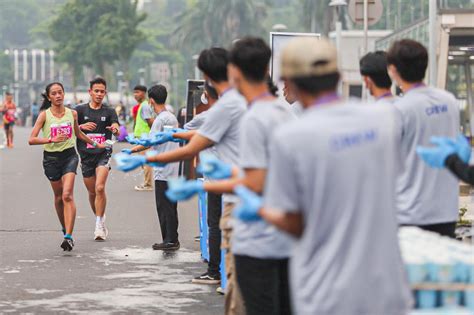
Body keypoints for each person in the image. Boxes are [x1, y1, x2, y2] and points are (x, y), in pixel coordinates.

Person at [232, 37, 412, 315]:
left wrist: (260, 209)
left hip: (326, 290)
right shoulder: (383, 120)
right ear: (339, 76)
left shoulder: (291, 138)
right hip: (386, 288)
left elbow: (294, 222)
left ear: (288, 81)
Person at [166, 37, 295, 314]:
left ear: (235, 70)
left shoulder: (247, 112)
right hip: (281, 220)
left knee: (245, 298)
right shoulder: (281, 112)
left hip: (247, 217)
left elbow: (254, 179)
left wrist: (218, 180)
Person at [114, 47, 247, 315]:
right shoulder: (244, 105)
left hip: (230, 187)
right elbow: (191, 137)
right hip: (234, 184)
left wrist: (145, 157)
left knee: (220, 234)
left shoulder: (228, 106)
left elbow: (194, 141)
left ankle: (217, 273)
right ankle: (222, 275)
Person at [387, 39, 460, 237]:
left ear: (393, 70)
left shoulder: (399, 110)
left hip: (411, 214)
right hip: (446, 211)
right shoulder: (449, 101)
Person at [28, 82, 106, 251]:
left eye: (60, 92)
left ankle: (68, 237)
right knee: (58, 198)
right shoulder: (44, 116)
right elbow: (31, 139)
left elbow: (78, 133)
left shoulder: (72, 114)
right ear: (49, 97)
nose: (58, 96)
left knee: (67, 195)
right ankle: (65, 228)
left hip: (70, 156)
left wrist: (94, 143)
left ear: (64, 94)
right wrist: (50, 139)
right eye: (54, 93)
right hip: (51, 159)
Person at [122, 85, 181, 250]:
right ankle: (172, 238)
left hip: (163, 170)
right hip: (173, 167)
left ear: (151, 101)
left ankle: (169, 240)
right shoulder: (171, 117)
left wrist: (133, 148)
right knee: (171, 206)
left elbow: (150, 141)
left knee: (164, 206)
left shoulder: (160, 119)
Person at [75, 77, 120, 241]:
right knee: (92, 191)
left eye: (102, 91)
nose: (99, 94)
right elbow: (70, 129)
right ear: (90, 92)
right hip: (86, 155)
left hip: (103, 153)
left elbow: (117, 128)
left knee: (100, 188)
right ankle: (100, 217)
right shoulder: (79, 111)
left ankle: (99, 225)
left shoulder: (109, 111)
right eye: (96, 91)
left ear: (105, 93)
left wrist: (115, 129)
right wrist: (80, 127)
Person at [133, 85, 154, 191]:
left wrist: (151, 136)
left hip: (145, 138)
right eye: (134, 92)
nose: (135, 94)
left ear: (144, 93)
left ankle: (148, 184)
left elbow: (150, 121)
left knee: (146, 162)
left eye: (138, 92)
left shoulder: (145, 105)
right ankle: (147, 182)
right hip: (141, 137)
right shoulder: (142, 105)